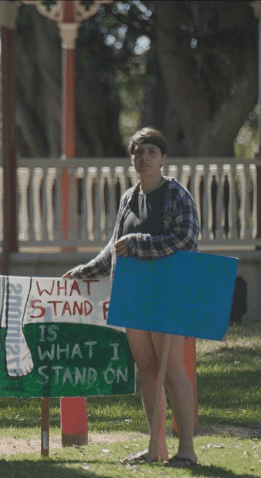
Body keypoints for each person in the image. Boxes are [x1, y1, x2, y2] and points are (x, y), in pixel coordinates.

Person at [63, 127, 200, 468]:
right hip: (134, 292)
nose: (144, 158)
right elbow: (115, 249)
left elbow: (186, 239)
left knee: (172, 370)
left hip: (168, 293)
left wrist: (140, 243)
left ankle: (187, 450)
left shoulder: (175, 194)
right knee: (147, 370)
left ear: (163, 157)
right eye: (138, 153)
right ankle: (156, 448)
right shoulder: (128, 198)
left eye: (151, 152)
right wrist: (83, 271)